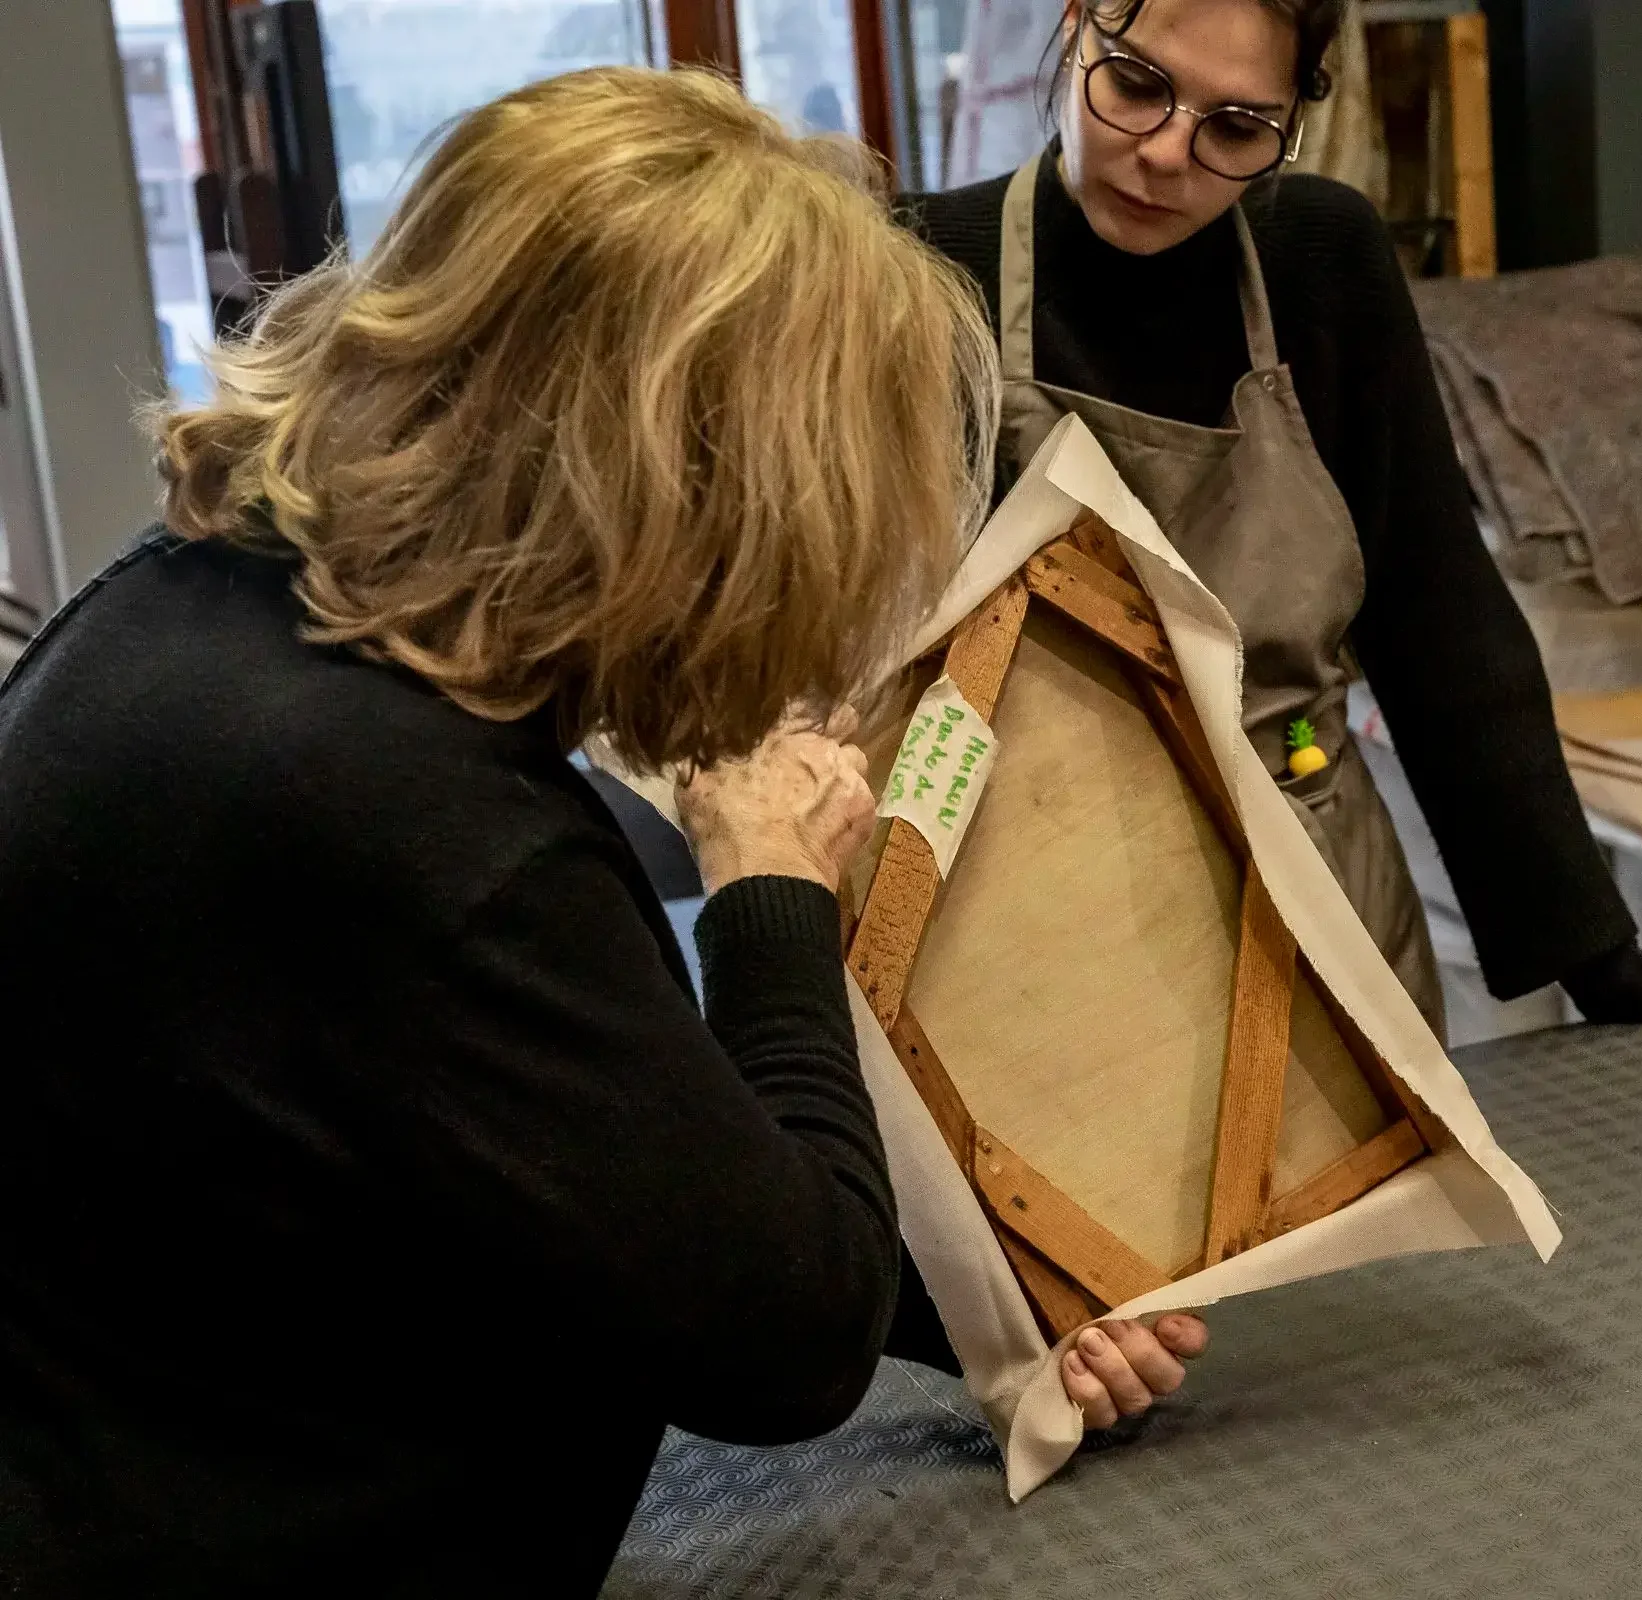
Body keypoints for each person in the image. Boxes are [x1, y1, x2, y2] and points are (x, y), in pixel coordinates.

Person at [0, 69, 1190, 1600]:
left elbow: (566, 1166)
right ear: (705, 498)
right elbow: (786, 1349)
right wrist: (773, 891)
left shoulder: (192, 610)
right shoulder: (419, 832)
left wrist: (986, 1295)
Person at [899, 0, 1642, 1031]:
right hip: (1042, 916)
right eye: (1133, 85)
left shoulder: (1316, 258)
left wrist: (1598, 957)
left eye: (1235, 127)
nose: (1167, 155)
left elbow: (1436, 615)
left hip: (1315, 894)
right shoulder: (927, 269)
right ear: (1077, 24)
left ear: (1295, 117)